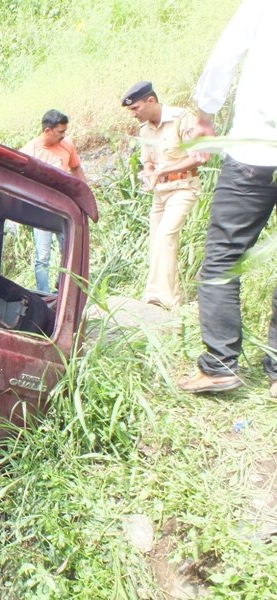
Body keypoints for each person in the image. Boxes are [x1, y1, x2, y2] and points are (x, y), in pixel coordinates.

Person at [178, 0, 277, 395]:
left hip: (256, 148)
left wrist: (205, 115)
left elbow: (225, 55)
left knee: (223, 258)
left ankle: (219, 364)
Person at [122, 81, 205, 309]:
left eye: (135, 108)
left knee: (166, 237)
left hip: (183, 188)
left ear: (151, 101)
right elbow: (147, 160)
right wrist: (149, 173)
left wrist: (162, 171)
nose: (133, 114)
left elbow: (200, 156)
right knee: (157, 241)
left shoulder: (181, 118)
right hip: (160, 193)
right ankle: (159, 297)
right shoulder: (145, 130)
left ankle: (166, 300)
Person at [20, 110, 86, 293]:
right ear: (47, 130)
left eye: (65, 132)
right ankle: (43, 293)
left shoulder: (67, 146)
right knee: (43, 256)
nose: (64, 135)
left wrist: (85, 194)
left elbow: (76, 168)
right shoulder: (29, 151)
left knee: (69, 250)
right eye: (60, 132)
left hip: (64, 209)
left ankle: (63, 290)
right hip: (40, 211)